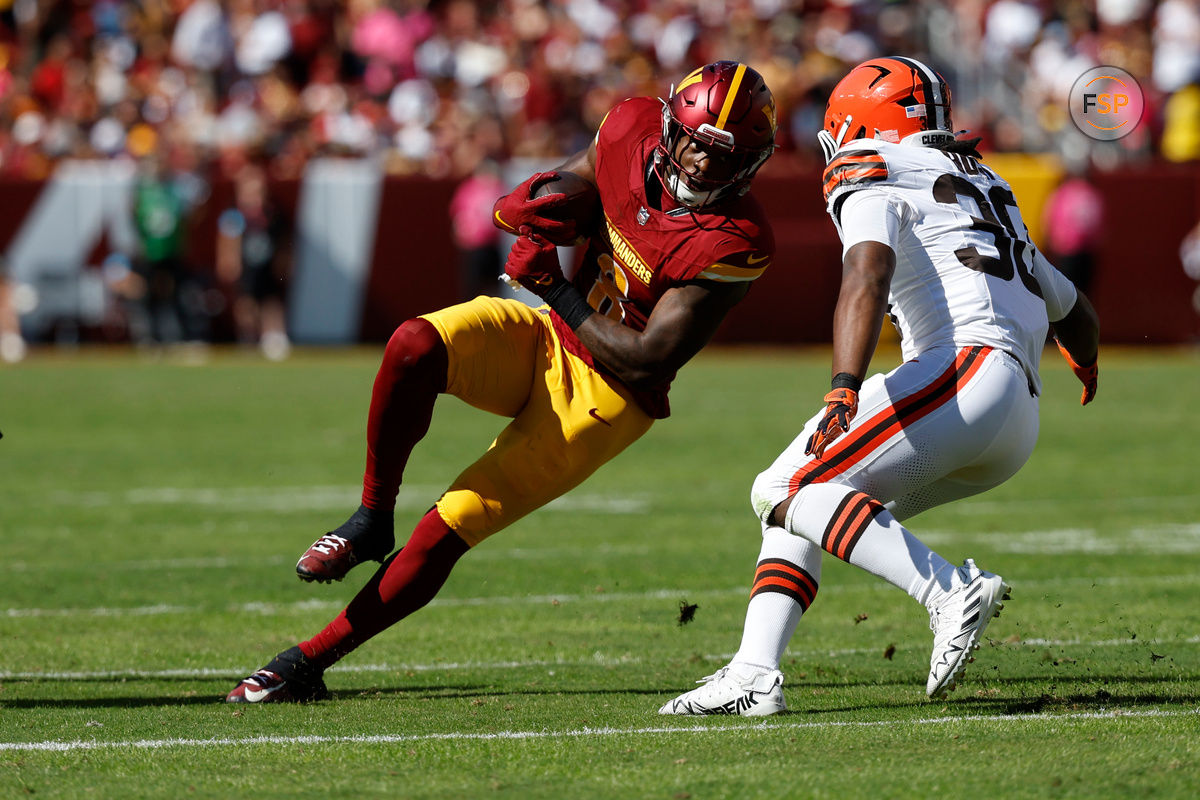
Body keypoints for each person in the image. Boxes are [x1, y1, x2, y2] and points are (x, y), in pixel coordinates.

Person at [226, 61, 779, 703]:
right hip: (550, 337)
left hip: (606, 398)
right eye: (694, 141)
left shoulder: (736, 239)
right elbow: (577, 175)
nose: (702, 164)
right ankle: (373, 516)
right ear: (668, 125)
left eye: (723, 154)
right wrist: (538, 199)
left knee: (452, 521)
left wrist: (553, 286)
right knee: (414, 343)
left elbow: (648, 360)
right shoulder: (629, 125)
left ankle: (306, 664)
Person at [660, 56, 1100, 717]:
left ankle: (949, 592)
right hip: (1016, 418)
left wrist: (844, 385)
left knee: (783, 490)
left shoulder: (875, 167)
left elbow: (866, 273)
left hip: (961, 375)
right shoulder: (986, 184)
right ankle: (754, 675)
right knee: (802, 500)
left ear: (867, 121)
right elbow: (1075, 310)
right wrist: (1086, 365)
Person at [216, 163, 293, 360]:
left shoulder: (271, 213)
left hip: (266, 263)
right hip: (246, 264)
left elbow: (282, 241)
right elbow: (228, 240)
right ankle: (248, 337)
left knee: (270, 300)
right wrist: (228, 260)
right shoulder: (234, 214)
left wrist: (283, 263)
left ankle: (274, 336)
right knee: (245, 302)